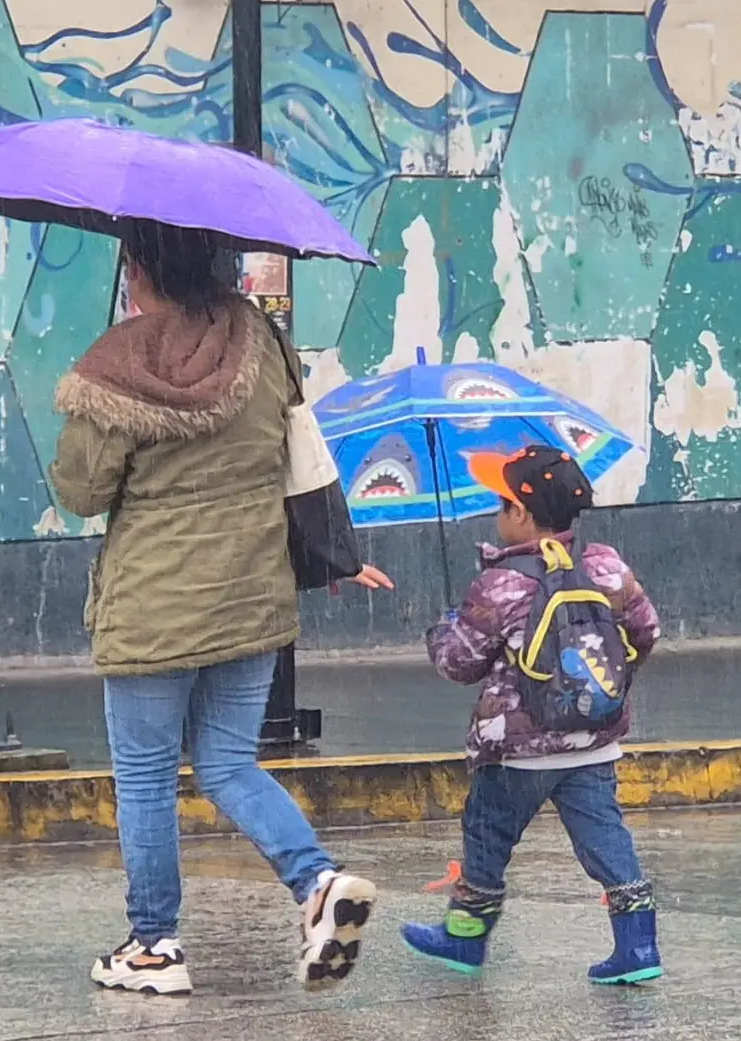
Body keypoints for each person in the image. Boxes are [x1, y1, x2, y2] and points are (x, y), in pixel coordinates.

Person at [49, 220, 382, 997]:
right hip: (251, 597)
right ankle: (316, 882)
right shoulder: (262, 343)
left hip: (153, 607)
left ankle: (155, 944)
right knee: (230, 762)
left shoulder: (120, 363)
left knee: (145, 776)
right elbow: (292, 445)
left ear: (139, 267)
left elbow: (80, 489)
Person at [399, 444, 663, 984]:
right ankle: (639, 948)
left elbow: (458, 664)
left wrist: (444, 628)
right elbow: (646, 632)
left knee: (487, 836)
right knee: (605, 837)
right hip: (594, 740)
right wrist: (597, 687)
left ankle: (466, 938)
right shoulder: (606, 565)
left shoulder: (503, 582)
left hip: (515, 752)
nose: (497, 517)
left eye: (500, 506)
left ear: (519, 514)